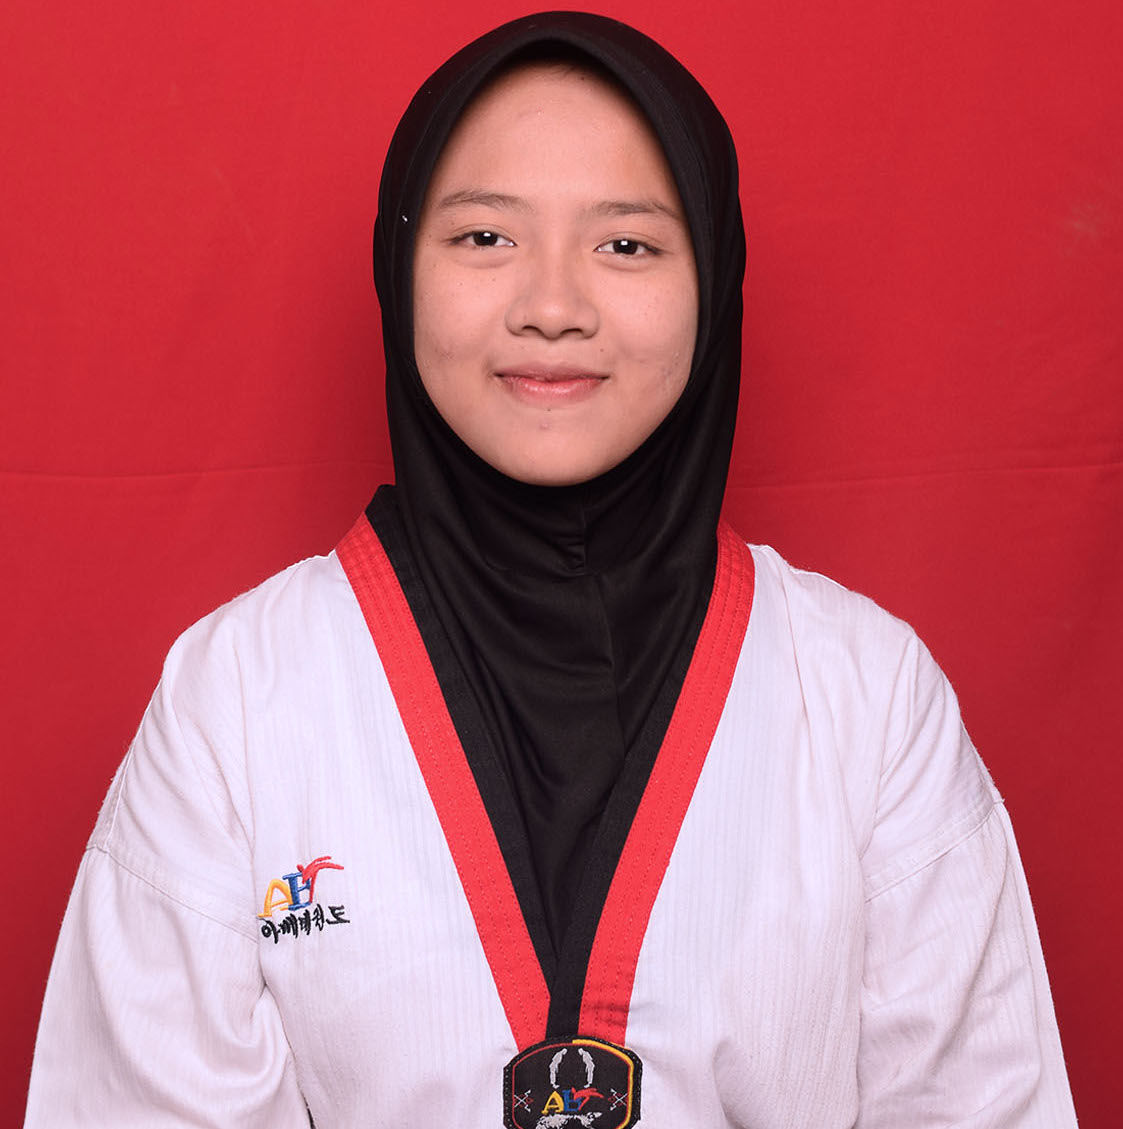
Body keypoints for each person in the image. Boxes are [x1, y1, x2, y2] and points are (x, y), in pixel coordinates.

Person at [25, 11, 1077, 1128]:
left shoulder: (869, 693)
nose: (553, 308)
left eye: (626, 245)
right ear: (398, 268)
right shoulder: (236, 695)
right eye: (485, 237)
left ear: (714, 278)